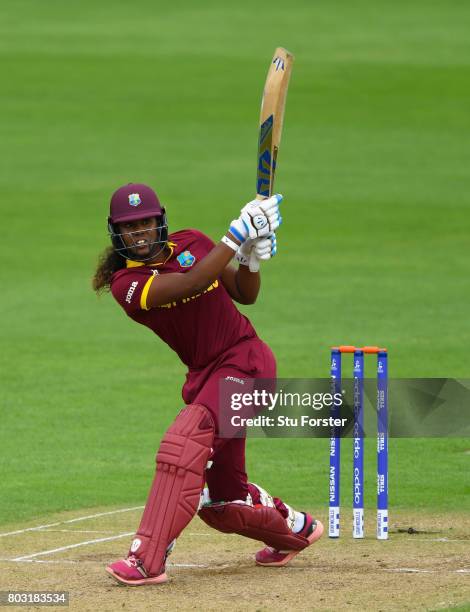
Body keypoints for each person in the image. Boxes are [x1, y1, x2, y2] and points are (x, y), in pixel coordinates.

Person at [92, 183, 323, 586]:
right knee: (222, 503)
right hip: (206, 376)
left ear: (160, 220)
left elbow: (244, 294)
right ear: (116, 232)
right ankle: (295, 528)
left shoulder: (194, 241)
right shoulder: (124, 284)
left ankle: (146, 561)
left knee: (183, 443)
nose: (139, 232)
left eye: (145, 222)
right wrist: (236, 238)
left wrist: (251, 258)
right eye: (130, 227)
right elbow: (191, 283)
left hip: (246, 363)